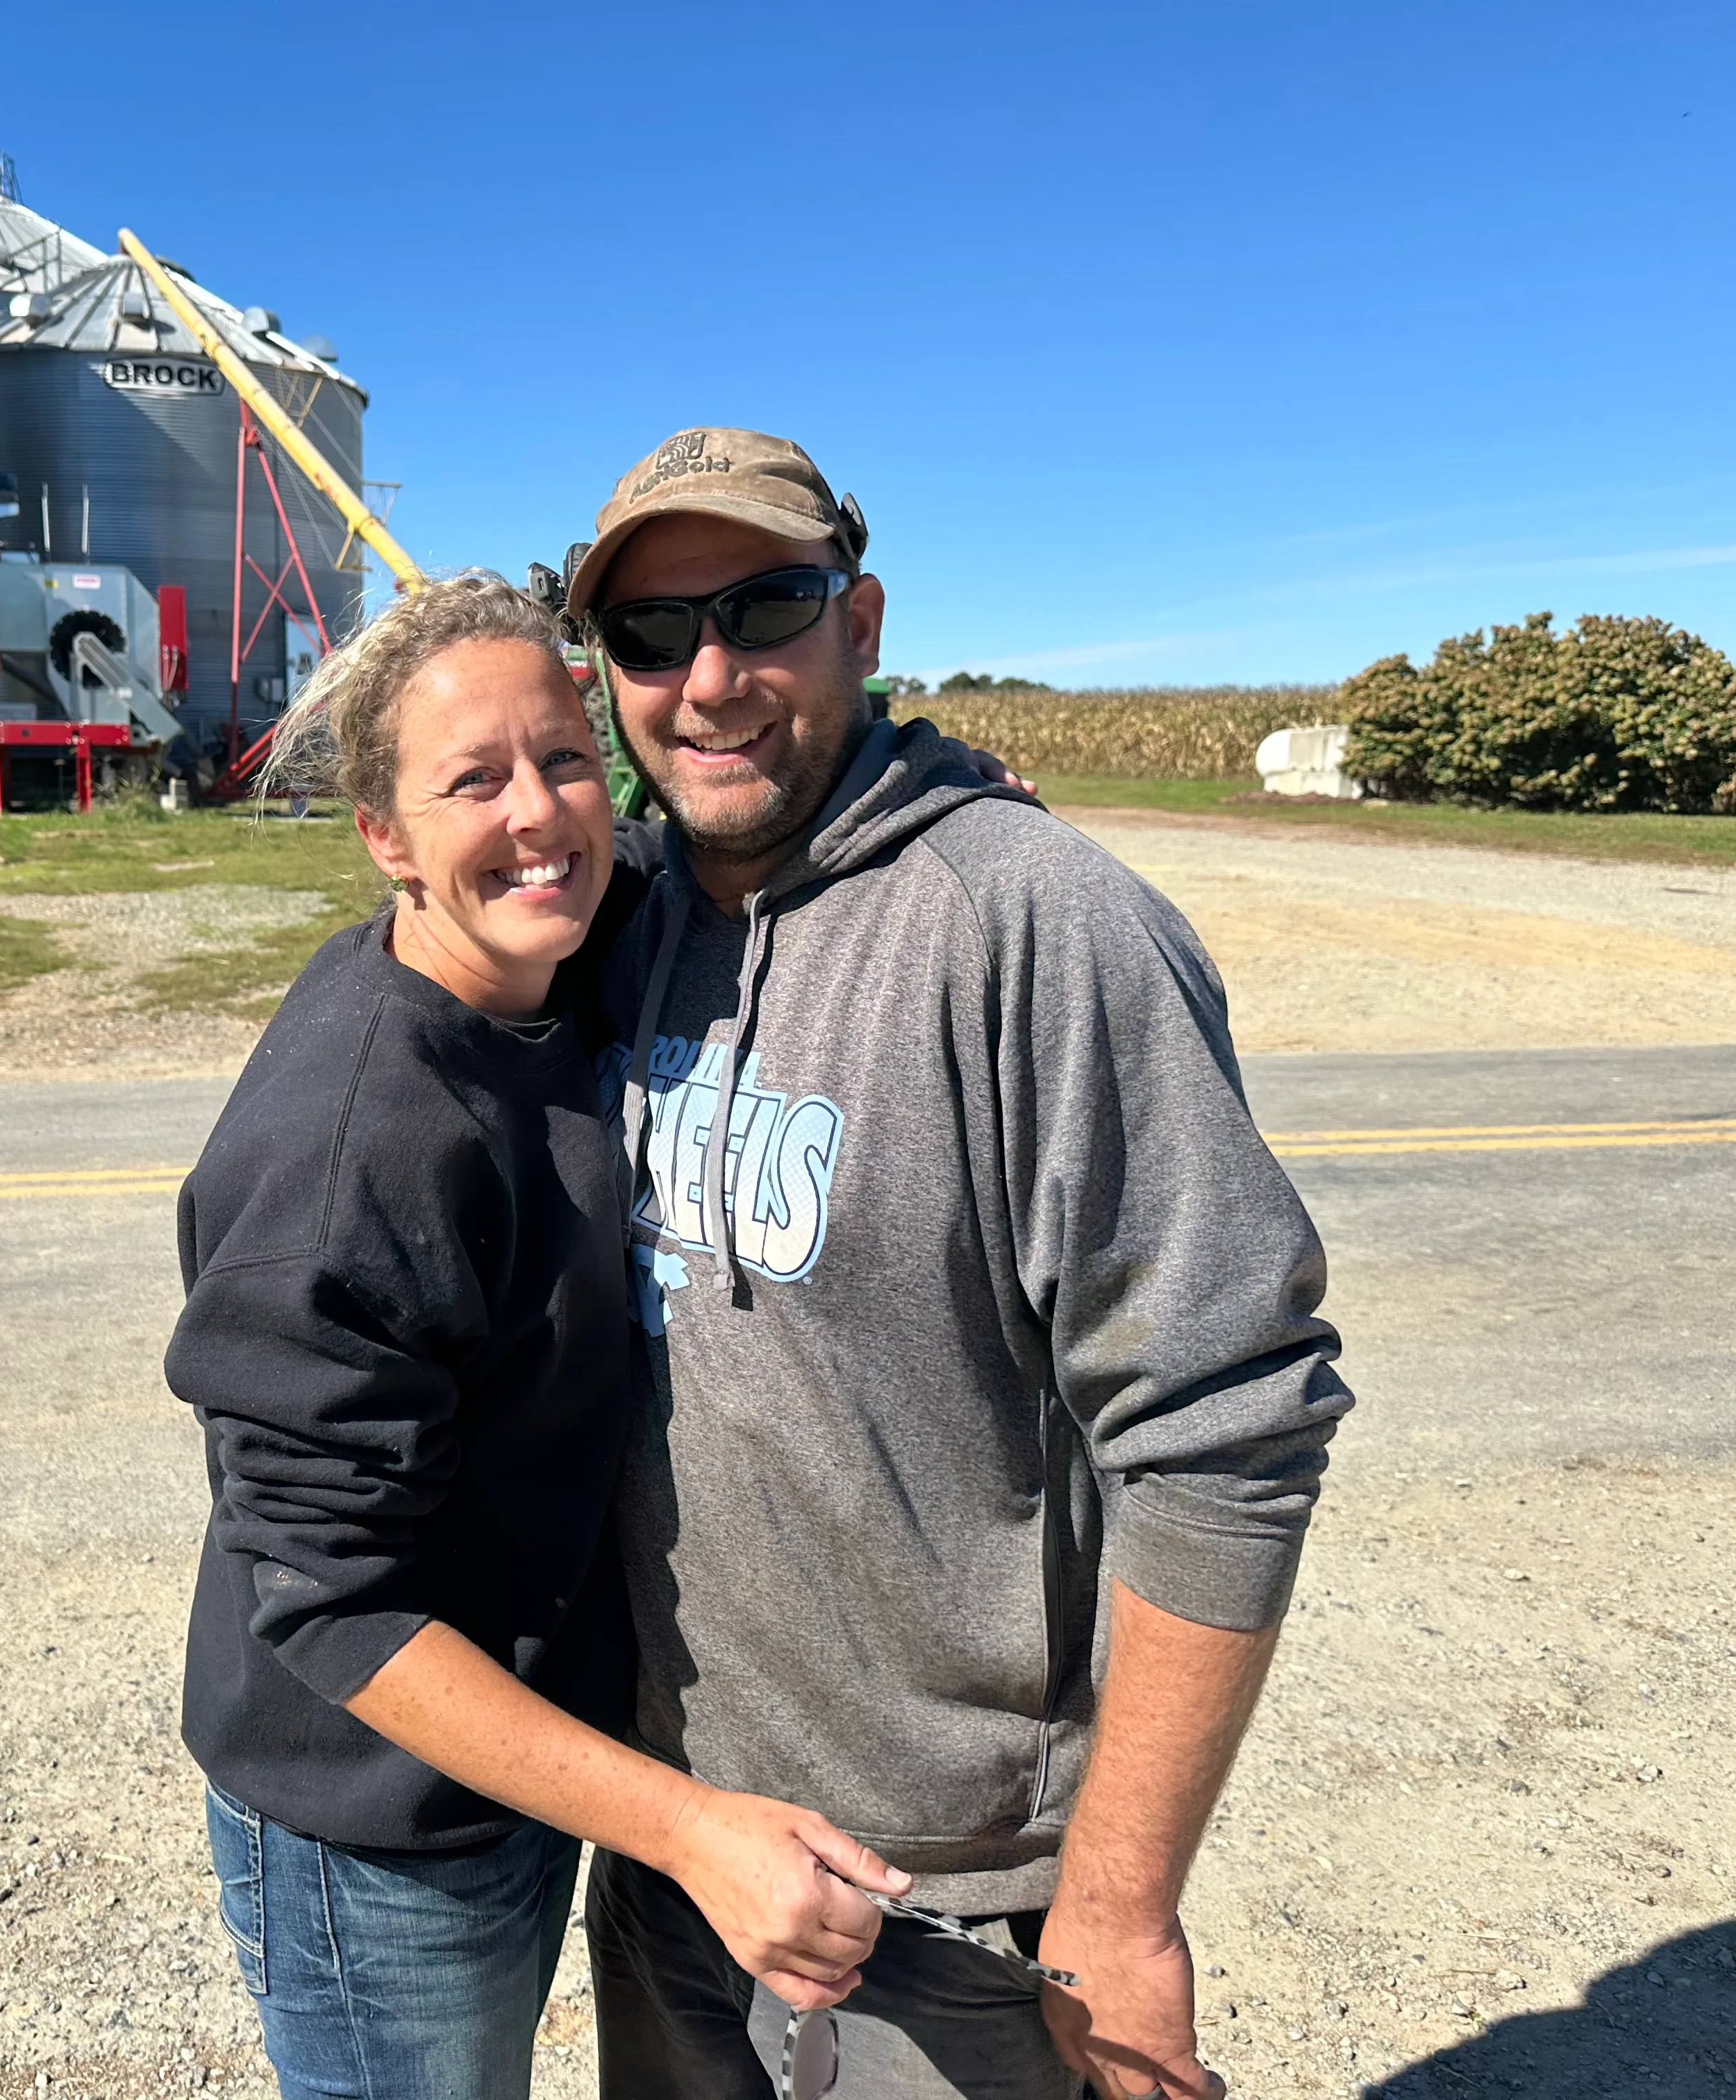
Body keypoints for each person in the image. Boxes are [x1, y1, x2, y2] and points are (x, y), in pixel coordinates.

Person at [564, 431, 1357, 2100]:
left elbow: (1226, 1422)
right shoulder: (624, 916)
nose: (709, 679)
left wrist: (1120, 1915)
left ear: (859, 623)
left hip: (946, 1906)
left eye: (764, 607)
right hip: (677, 1849)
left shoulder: (1036, 925)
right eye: (650, 634)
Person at [167, 575, 915, 2100]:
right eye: (472, 781)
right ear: (384, 837)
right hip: (377, 1827)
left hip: (509, 1767)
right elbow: (331, 1606)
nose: (540, 815)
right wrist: (692, 1830)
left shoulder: (555, 946)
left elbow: (699, 826)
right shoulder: (361, 1147)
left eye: (564, 760)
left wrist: (935, 773)